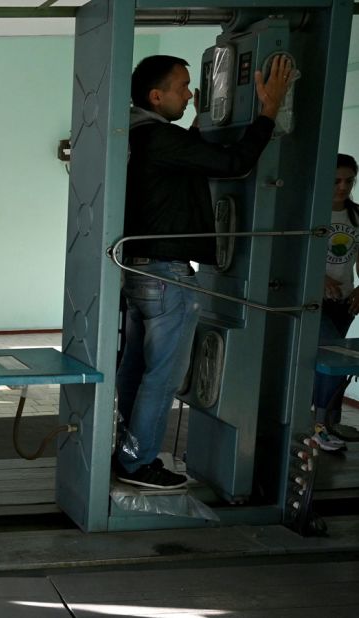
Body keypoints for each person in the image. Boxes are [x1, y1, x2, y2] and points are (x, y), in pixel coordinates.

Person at [116, 54, 293, 489]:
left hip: (141, 271)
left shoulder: (139, 135)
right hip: (166, 275)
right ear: (156, 97)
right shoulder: (158, 137)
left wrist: (196, 125)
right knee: (163, 376)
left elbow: (180, 165)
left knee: (136, 368)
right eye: (182, 87)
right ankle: (137, 464)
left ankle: (124, 450)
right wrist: (269, 109)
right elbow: (236, 163)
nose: (190, 93)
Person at [311, 154, 359, 450]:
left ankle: (327, 423)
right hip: (315, 301)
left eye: (349, 181)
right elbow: (298, 255)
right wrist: (318, 279)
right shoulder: (314, 212)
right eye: (336, 181)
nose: (342, 187)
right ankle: (322, 427)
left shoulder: (356, 216)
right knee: (331, 361)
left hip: (345, 301)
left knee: (332, 365)